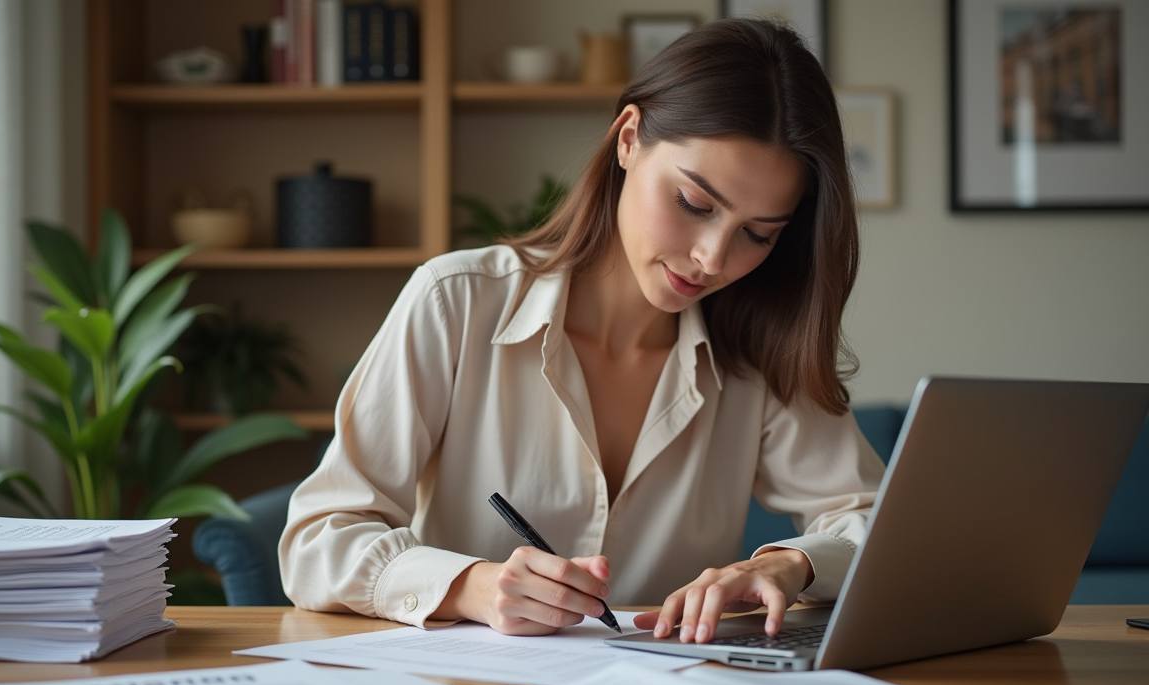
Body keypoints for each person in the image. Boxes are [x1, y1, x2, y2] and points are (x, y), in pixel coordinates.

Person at [279, 17, 884, 646]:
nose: (712, 257)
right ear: (629, 138)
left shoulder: (760, 345)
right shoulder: (455, 303)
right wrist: (471, 586)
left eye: (758, 233)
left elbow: (873, 519)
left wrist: (790, 564)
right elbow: (319, 539)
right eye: (695, 205)